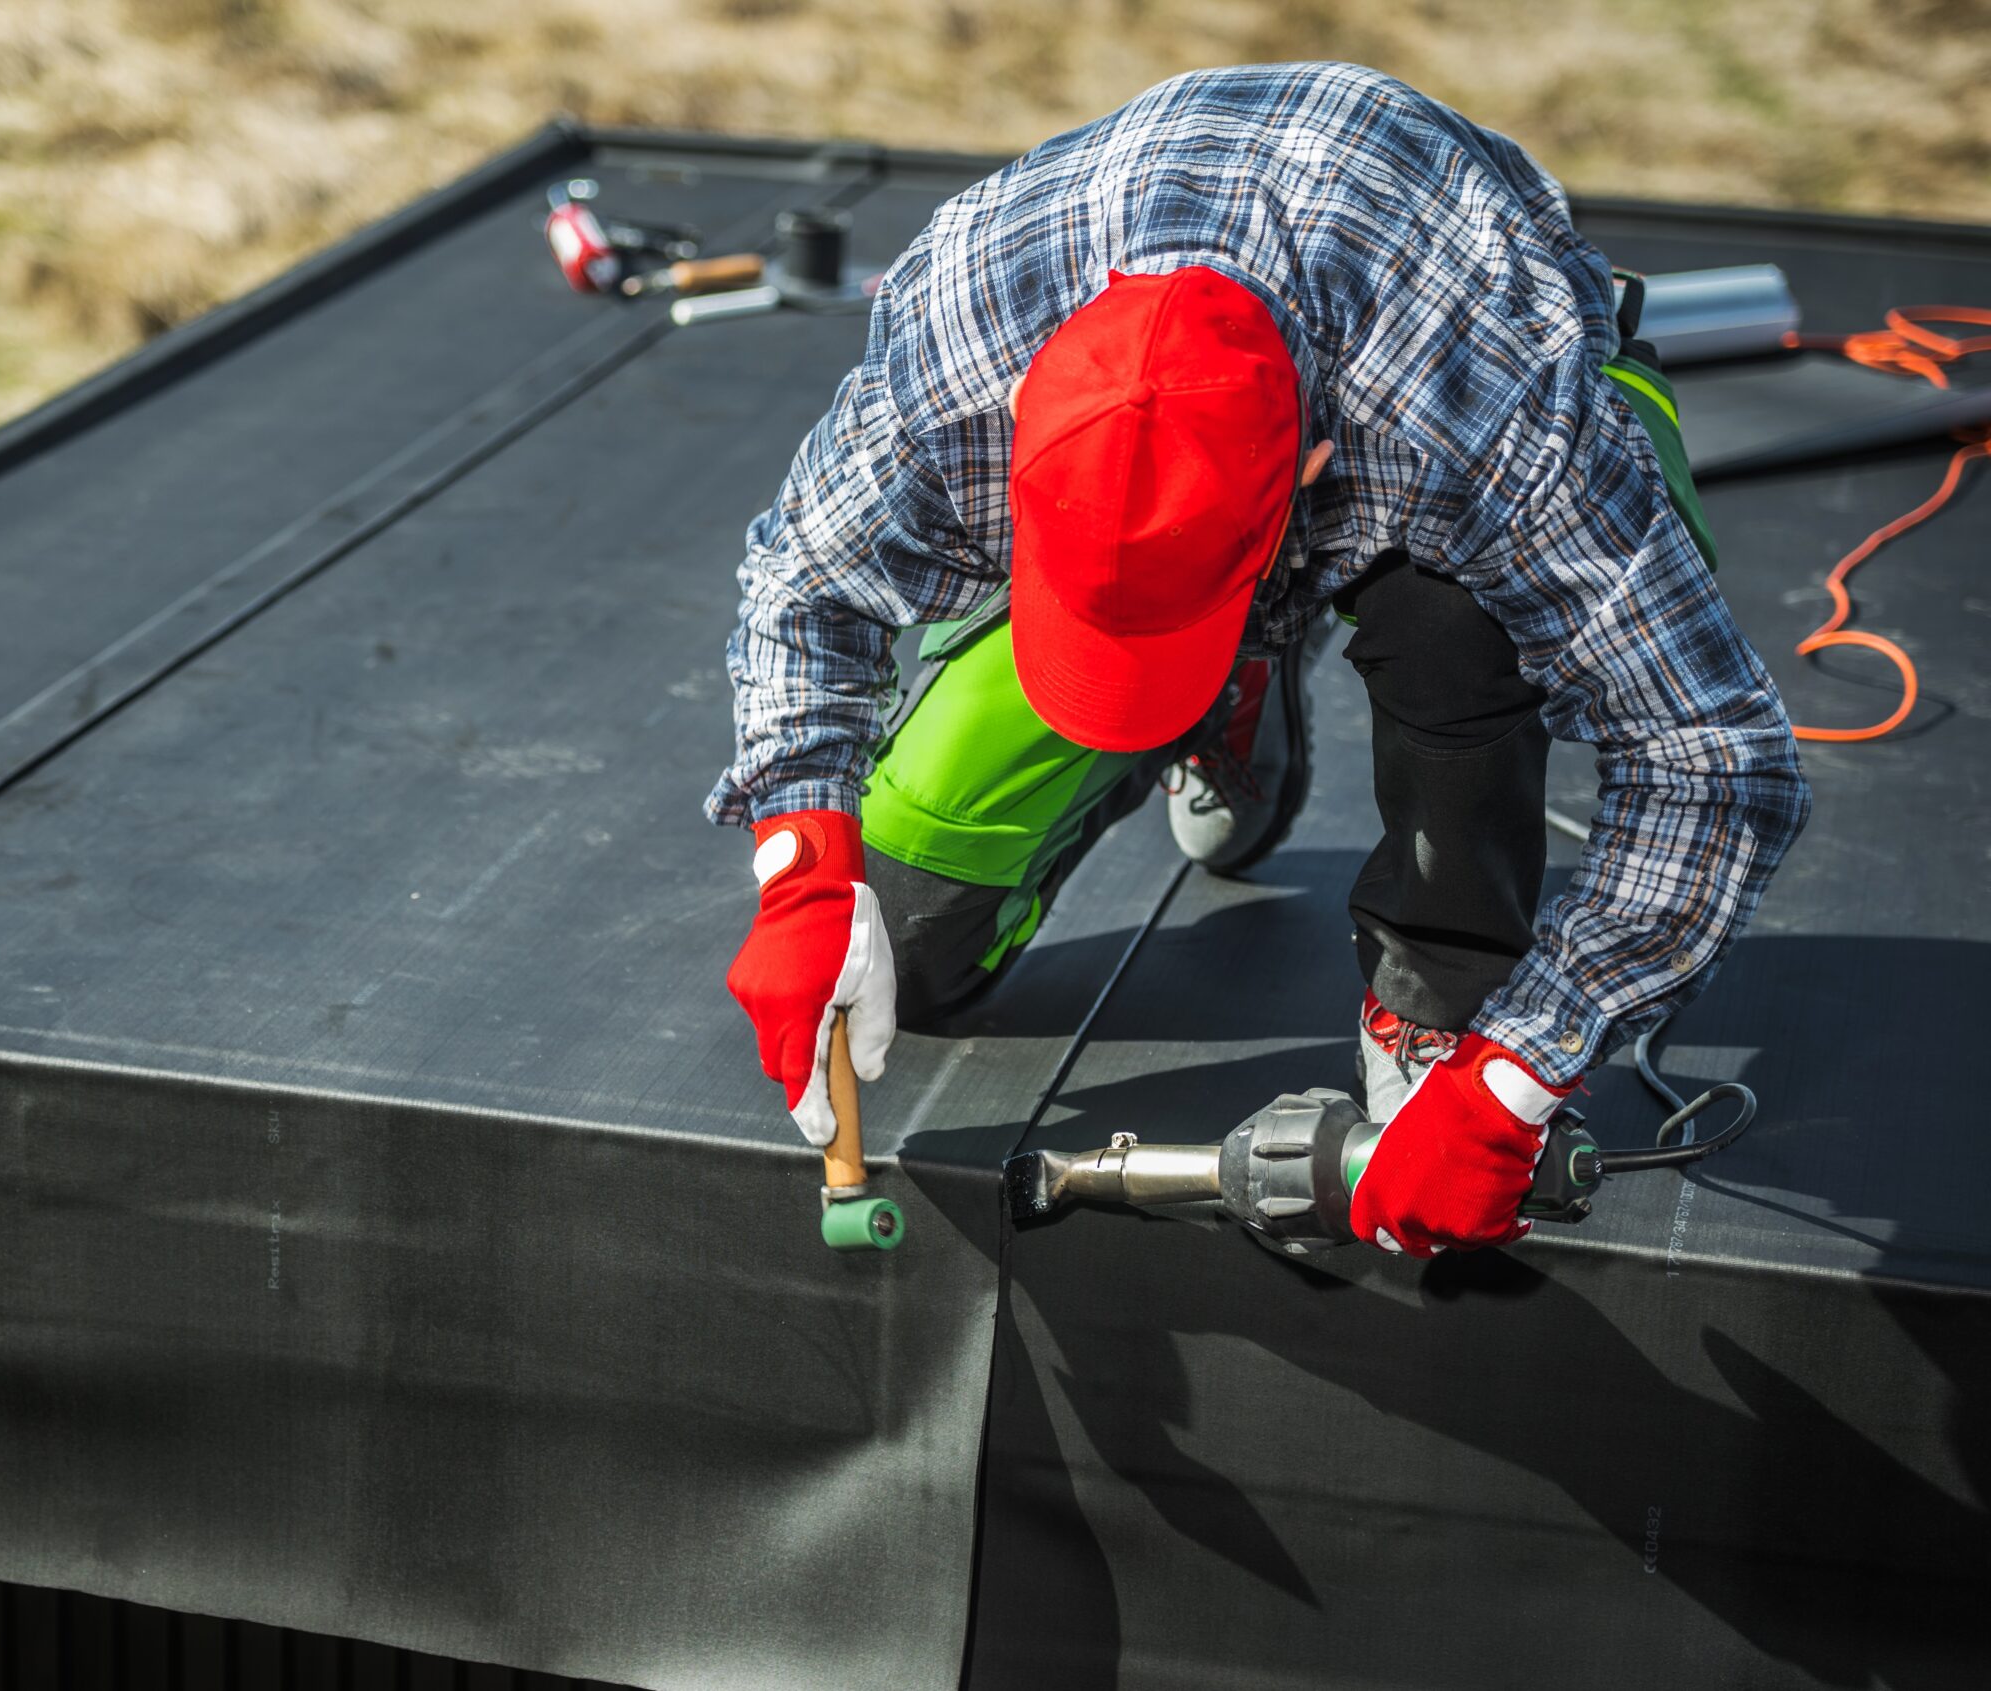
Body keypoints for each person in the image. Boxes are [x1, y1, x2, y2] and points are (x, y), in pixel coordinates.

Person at [710, 63, 1809, 1257]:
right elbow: (801, 585)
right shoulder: (960, 342)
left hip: (1421, 331)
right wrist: (806, 865)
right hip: (1223, 407)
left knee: (1456, 626)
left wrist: (1512, 1075)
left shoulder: (1486, 409)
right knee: (912, 946)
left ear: (1302, 477)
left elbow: (1715, 755)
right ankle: (1232, 681)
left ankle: (1433, 995)